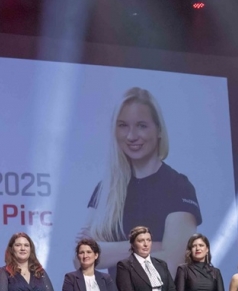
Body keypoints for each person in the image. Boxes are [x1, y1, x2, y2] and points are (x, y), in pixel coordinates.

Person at [78, 87, 201, 274]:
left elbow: (173, 265)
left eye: (142, 126)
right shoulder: (107, 188)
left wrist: (105, 251)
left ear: (159, 130)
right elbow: (80, 258)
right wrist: (149, 247)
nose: (131, 136)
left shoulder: (178, 187)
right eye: (123, 126)